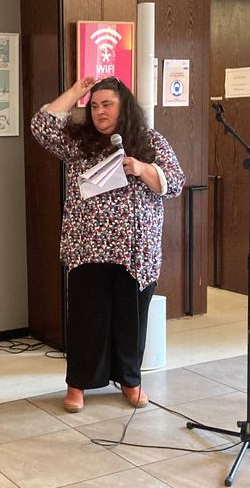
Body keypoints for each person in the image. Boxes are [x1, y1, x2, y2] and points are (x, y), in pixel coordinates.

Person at [30, 76, 185, 413]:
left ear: (123, 106)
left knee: (132, 318)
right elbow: (41, 127)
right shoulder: (79, 142)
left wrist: (143, 168)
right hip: (89, 247)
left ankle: (130, 380)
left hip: (135, 250)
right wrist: (74, 93)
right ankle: (78, 385)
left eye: (107, 104)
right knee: (88, 318)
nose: (100, 112)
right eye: (95, 106)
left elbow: (175, 183)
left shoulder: (149, 141)